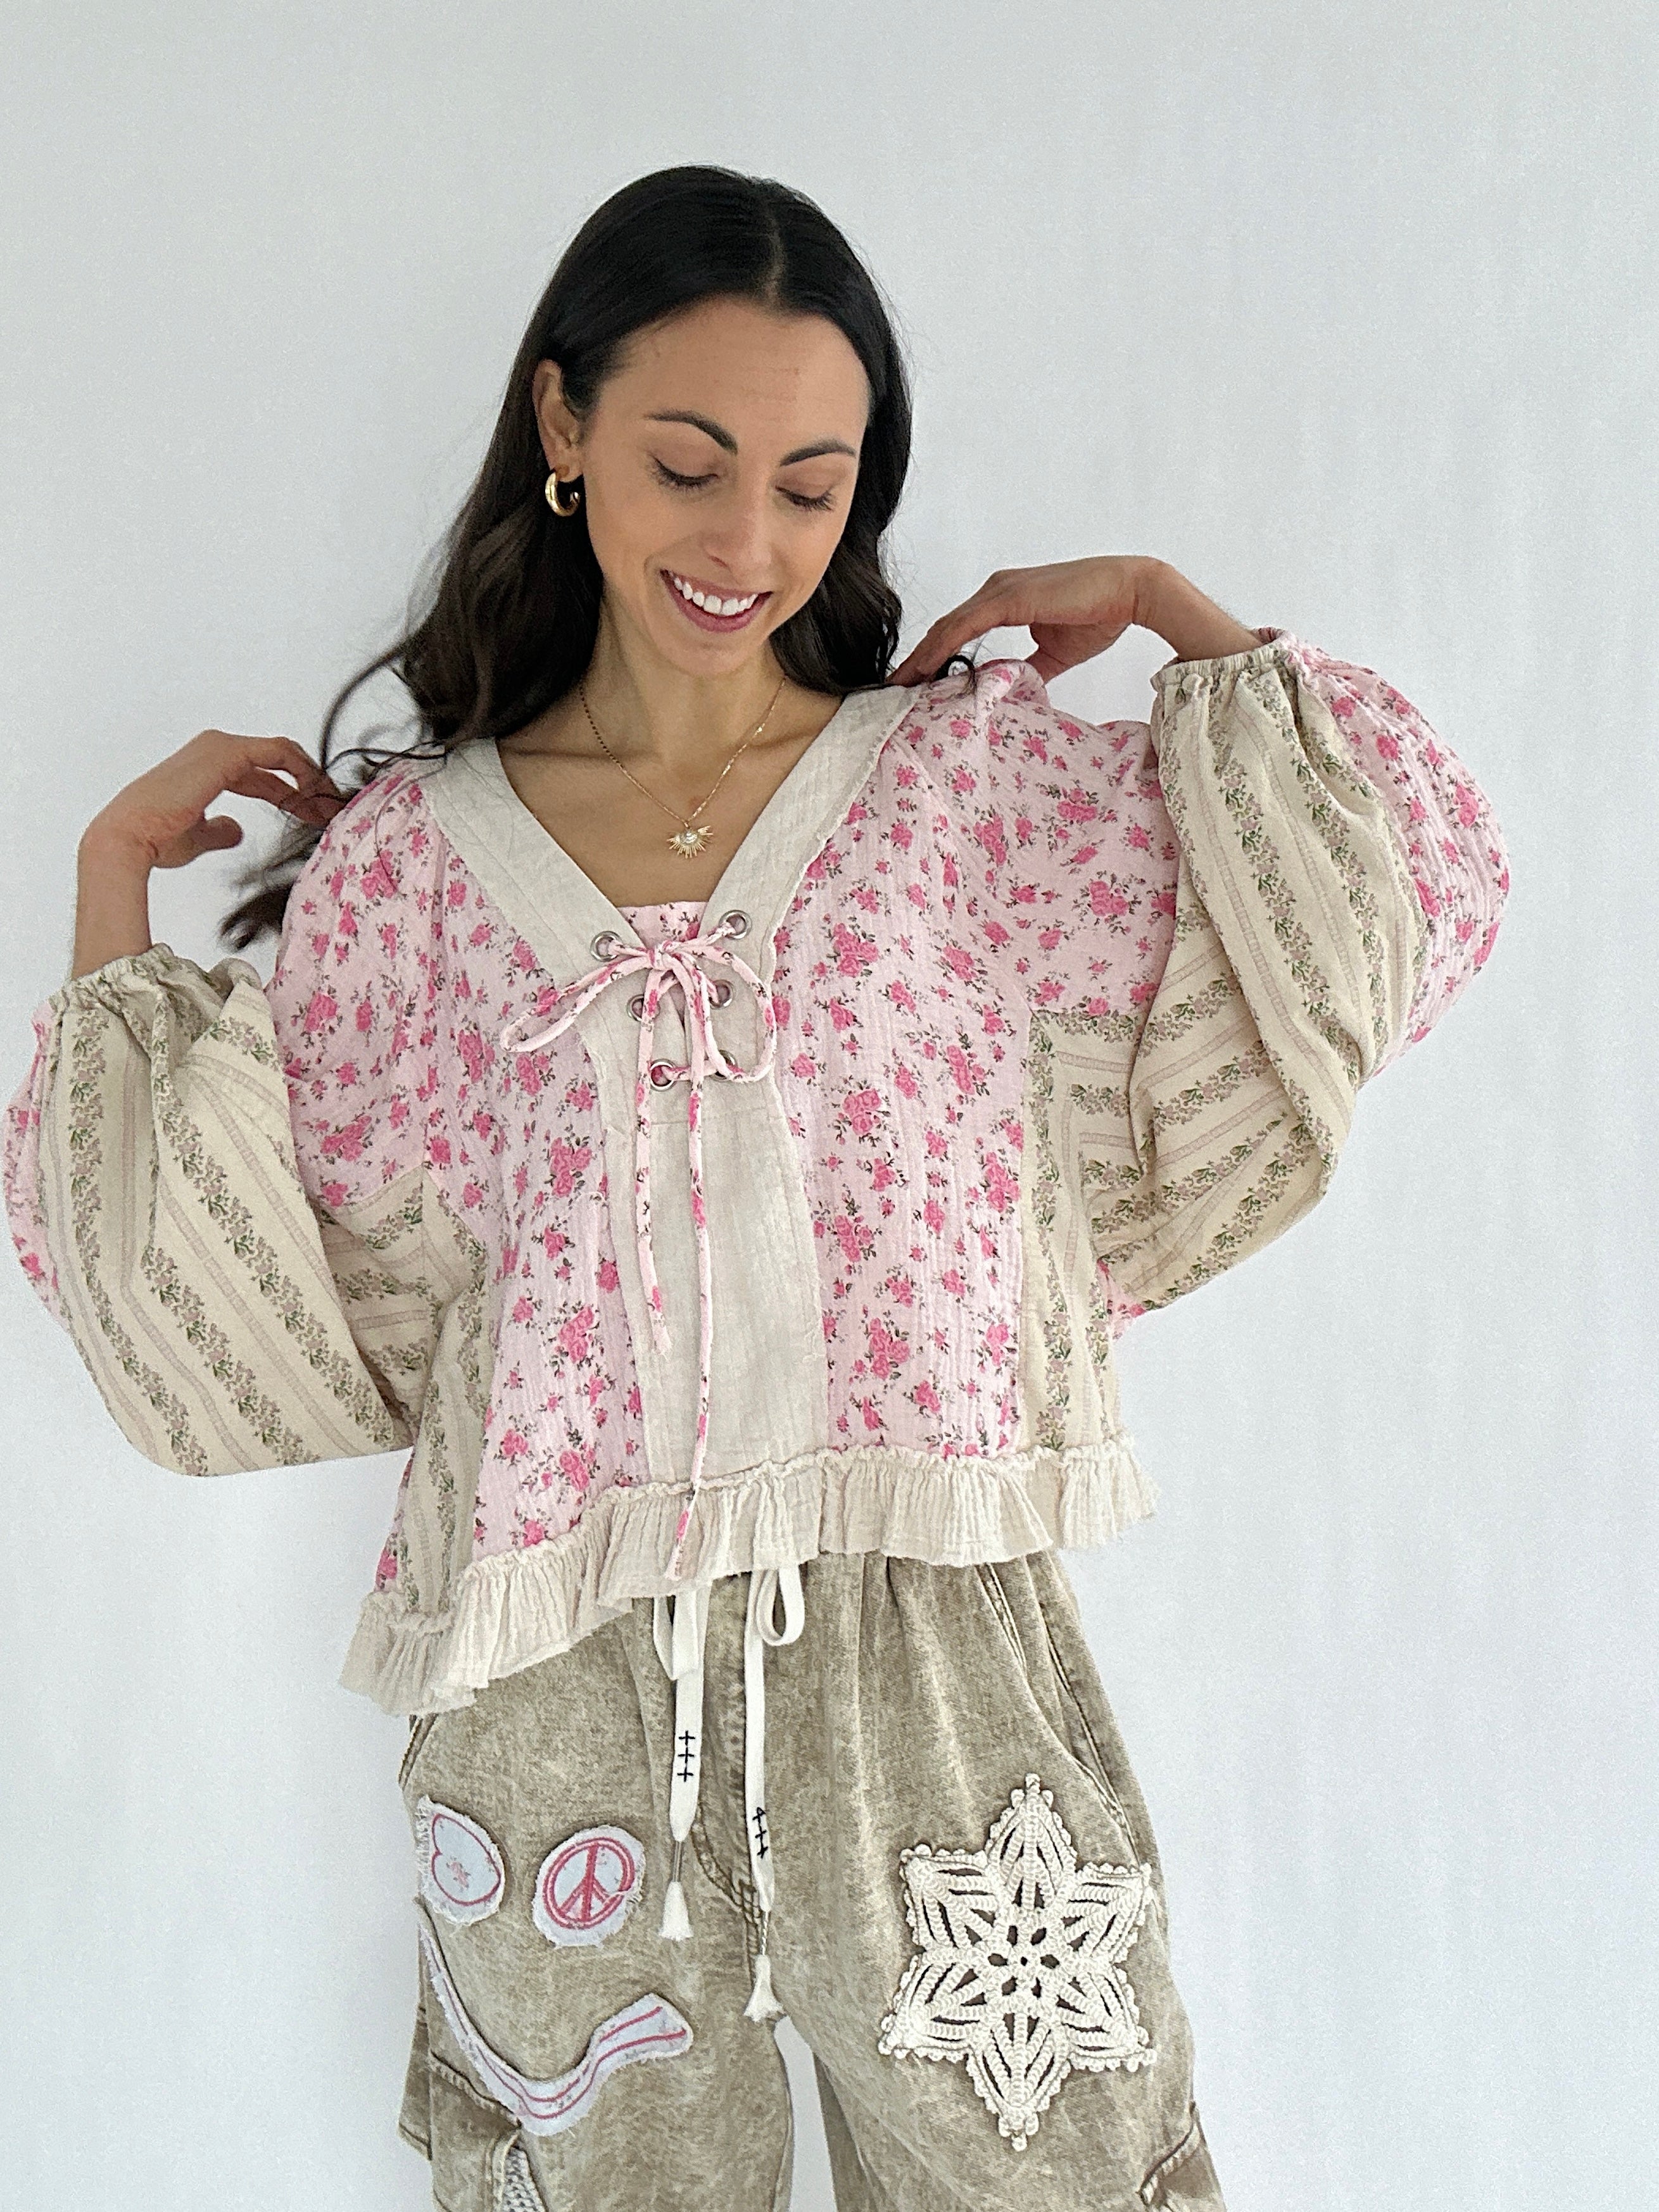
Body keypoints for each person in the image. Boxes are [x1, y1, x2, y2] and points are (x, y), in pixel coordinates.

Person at [3, 165, 1508, 2212]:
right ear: (563, 425)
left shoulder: (962, 796)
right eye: (687, 464)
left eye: (812, 486)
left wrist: (1180, 615)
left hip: (933, 1661)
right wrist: (110, 890)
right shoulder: (408, 876)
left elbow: (1377, 904)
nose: (745, 545)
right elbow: (212, 1326)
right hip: (555, 1710)